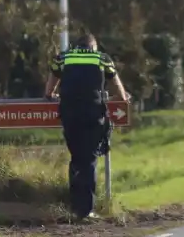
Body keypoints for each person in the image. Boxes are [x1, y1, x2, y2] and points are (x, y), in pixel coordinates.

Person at [43, 33, 130, 220]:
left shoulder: (63, 57)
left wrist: (51, 94)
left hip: (69, 114)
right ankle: (86, 210)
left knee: (76, 159)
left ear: (77, 46)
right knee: (89, 160)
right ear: (93, 46)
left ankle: (74, 206)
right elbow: (120, 92)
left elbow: (50, 85)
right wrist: (119, 97)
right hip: (93, 114)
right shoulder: (102, 58)